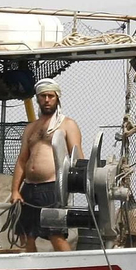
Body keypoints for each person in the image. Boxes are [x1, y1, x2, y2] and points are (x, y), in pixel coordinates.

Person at [10, 77, 83, 252]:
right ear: (37, 98)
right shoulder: (31, 128)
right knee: (26, 235)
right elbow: (22, 160)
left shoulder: (67, 124)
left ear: (57, 97)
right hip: (29, 188)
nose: (47, 100)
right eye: (43, 96)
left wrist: (78, 183)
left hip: (52, 188)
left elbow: (78, 156)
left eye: (50, 96)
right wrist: (15, 190)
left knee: (55, 234)